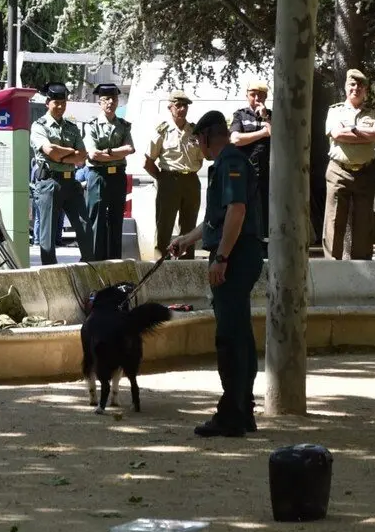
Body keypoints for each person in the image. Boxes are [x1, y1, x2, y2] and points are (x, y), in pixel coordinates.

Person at [168, 111, 264, 438]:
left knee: (230, 337)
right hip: (237, 252)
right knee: (240, 333)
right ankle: (243, 409)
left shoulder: (231, 162)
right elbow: (216, 219)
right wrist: (186, 240)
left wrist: (221, 257)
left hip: (236, 255)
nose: (198, 147)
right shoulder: (225, 163)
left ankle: (232, 414)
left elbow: (237, 211)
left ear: (207, 137)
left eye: (198, 140)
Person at [323, 69, 375, 260]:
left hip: (365, 171)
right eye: (352, 84)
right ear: (346, 87)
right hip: (338, 171)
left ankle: (361, 267)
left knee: (364, 222)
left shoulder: (374, 112)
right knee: (334, 220)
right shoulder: (335, 111)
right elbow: (337, 134)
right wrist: (367, 135)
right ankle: (332, 266)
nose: (356, 88)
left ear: (365, 89)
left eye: (360, 85)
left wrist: (353, 131)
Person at [30, 82, 93, 265]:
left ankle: (88, 265)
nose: (60, 107)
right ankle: (50, 272)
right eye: (56, 103)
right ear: (47, 103)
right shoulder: (39, 126)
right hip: (49, 183)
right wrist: (70, 152)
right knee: (48, 234)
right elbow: (50, 151)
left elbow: (82, 156)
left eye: (63, 103)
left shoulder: (71, 127)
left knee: (84, 226)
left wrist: (62, 156)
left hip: (70, 183)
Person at [145, 90, 204, 259]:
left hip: (191, 180)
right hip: (169, 180)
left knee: (189, 227)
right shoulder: (162, 131)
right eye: (178, 105)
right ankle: (160, 265)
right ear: (170, 107)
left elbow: (201, 158)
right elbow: (148, 162)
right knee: (164, 226)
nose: (182, 109)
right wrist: (163, 179)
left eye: (185, 106)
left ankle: (186, 266)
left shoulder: (194, 131)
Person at [83, 83, 134, 260]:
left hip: (118, 176)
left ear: (118, 102)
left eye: (113, 99)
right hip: (98, 176)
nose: (110, 102)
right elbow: (92, 154)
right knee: (96, 220)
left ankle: (115, 261)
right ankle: (96, 261)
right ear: (100, 102)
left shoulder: (124, 125)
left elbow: (129, 148)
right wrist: (117, 154)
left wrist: (108, 152)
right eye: (106, 99)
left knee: (116, 219)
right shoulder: (91, 125)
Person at [230, 81, 272, 239]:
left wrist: (265, 116)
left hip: (267, 173)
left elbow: (277, 136)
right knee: (246, 208)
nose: (257, 98)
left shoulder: (271, 115)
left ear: (266, 97)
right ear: (247, 96)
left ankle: (264, 243)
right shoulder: (240, 115)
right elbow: (235, 139)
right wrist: (262, 133)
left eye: (260, 95)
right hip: (246, 171)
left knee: (265, 210)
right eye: (253, 95)